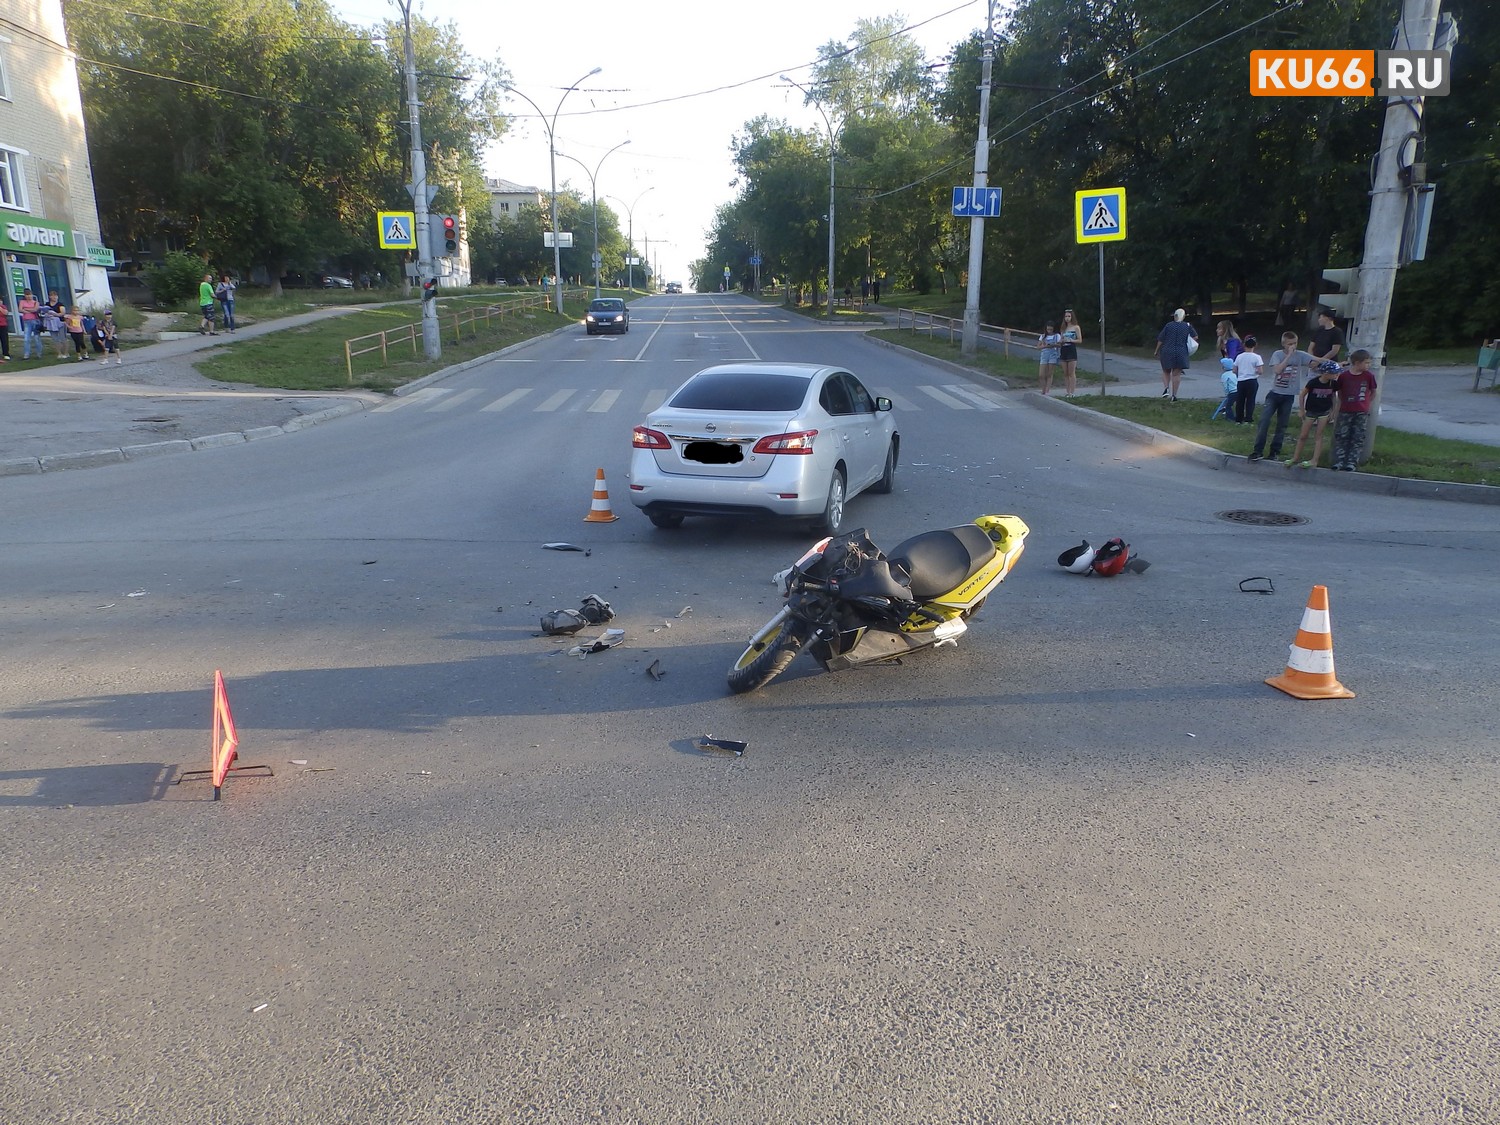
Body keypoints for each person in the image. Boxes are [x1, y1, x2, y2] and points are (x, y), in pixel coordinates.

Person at [1249, 331, 1314, 462]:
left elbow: (1316, 360)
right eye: (1290, 344)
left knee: (1282, 425)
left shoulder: (1300, 355)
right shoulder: (1277, 354)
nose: (1293, 346)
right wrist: (1289, 356)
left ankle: (1274, 451)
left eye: (1295, 343)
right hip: (1275, 394)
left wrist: (1333, 363)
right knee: (1264, 421)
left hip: (1288, 396)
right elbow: (1278, 370)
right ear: (1284, 344)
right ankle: (1258, 451)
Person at [1285, 361, 1340, 468]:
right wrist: (1301, 410)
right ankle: (1295, 458)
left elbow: (1334, 397)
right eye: (1334, 373)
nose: (1336, 375)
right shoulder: (1313, 382)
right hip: (1311, 411)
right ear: (1325, 373)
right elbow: (1302, 395)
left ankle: (1315, 460)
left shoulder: (1333, 384)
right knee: (1303, 435)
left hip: (1324, 412)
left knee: (1318, 435)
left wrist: (1333, 411)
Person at [1331, 349, 1378, 471]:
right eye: (1366, 363)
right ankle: (1339, 460)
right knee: (1342, 435)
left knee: (1358, 436)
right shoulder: (1344, 376)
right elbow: (1339, 392)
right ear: (1357, 363)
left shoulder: (1369, 376)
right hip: (1345, 410)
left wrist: (1366, 404)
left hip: (1361, 411)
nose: (1369, 365)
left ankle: (1352, 462)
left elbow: (1373, 392)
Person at [1152, 308, 1197, 401]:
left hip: (1167, 350)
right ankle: (1174, 395)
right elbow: (1195, 336)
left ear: (1175, 316)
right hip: (1181, 351)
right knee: (1176, 374)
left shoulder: (1168, 326)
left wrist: (1156, 350)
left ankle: (1166, 388)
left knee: (1166, 371)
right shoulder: (1187, 326)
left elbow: (1161, 338)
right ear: (1183, 316)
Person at [1232, 335, 1263, 425]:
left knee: (1240, 400)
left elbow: (1234, 370)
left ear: (1244, 345)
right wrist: (1255, 371)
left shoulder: (1239, 357)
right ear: (1255, 345)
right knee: (1250, 400)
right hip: (1252, 380)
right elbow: (1260, 371)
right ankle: (1248, 419)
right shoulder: (1257, 357)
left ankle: (1238, 419)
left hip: (1241, 381)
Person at [1059, 308, 1082, 397]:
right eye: (1066, 316)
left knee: (1071, 372)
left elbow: (1080, 340)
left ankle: (1072, 392)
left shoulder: (1076, 327)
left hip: (1071, 349)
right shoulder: (1063, 328)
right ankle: (1067, 391)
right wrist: (1061, 341)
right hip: (1064, 349)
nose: (1067, 318)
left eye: (1069, 316)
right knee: (1066, 373)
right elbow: (1061, 339)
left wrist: (1071, 340)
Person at [1037, 322, 1062, 396]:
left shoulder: (1057, 336)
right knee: (1041, 374)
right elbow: (1038, 346)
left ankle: (1047, 390)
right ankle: (1043, 388)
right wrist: (1044, 346)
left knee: (1049, 373)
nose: (1049, 331)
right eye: (1048, 329)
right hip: (1044, 354)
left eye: (1051, 329)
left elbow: (1059, 345)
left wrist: (1052, 345)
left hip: (1053, 354)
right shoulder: (1043, 336)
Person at [19, 289, 43, 359]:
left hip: (35, 321)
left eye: (29, 294)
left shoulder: (36, 302)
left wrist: (25, 309)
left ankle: (39, 353)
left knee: (36, 338)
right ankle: (26, 354)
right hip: (26, 321)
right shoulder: (22, 301)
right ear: (24, 295)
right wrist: (30, 309)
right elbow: (20, 309)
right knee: (26, 338)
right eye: (27, 295)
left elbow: (35, 310)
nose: (28, 296)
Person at [43, 292, 68, 358]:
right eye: (52, 296)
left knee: (63, 338)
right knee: (55, 339)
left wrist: (55, 314)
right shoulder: (47, 304)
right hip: (51, 323)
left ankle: (66, 353)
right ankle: (59, 353)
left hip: (60, 323)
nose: (54, 297)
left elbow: (62, 313)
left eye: (55, 296)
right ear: (49, 297)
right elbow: (44, 312)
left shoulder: (60, 304)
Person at [0, 292, 11, 361]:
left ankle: (6, 354)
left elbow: (5, 313)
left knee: (4, 340)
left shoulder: (3, 307)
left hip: (3, 325)